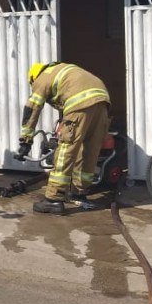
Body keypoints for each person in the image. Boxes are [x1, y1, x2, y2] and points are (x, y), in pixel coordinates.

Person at [17, 62, 110, 214]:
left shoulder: (42, 78)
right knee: (89, 150)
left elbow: (32, 108)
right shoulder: (61, 70)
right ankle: (80, 191)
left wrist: (25, 140)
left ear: (33, 78)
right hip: (102, 100)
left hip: (80, 103)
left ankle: (53, 199)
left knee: (66, 149)